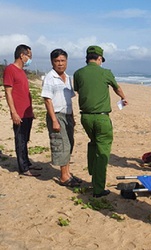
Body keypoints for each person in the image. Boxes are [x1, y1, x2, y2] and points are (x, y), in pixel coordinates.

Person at [73, 45, 128, 198]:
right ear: (99, 58)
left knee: (93, 142)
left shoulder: (78, 73)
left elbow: (78, 90)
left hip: (85, 117)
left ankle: (92, 171)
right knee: (103, 152)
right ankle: (98, 188)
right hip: (102, 117)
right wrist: (123, 98)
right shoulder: (105, 73)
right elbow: (117, 88)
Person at [41, 49, 81, 187]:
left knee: (69, 143)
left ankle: (68, 173)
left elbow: (69, 99)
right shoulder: (50, 77)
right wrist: (54, 120)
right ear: (52, 62)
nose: (60, 64)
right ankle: (64, 176)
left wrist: (72, 116)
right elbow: (47, 100)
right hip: (56, 115)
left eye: (63, 61)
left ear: (67, 62)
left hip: (67, 115)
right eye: (57, 61)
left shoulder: (67, 77)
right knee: (62, 144)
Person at [3, 44, 40, 177]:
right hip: (18, 112)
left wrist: (31, 110)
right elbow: (8, 92)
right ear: (22, 55)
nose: (30, 58)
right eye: (29, 56)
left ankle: (27, 162)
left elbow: (25, 92)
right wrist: (13, 112)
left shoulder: (22, 71)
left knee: (26, 138)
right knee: (20, 139)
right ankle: (23, 168)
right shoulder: (10, 69)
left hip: (27, 111)